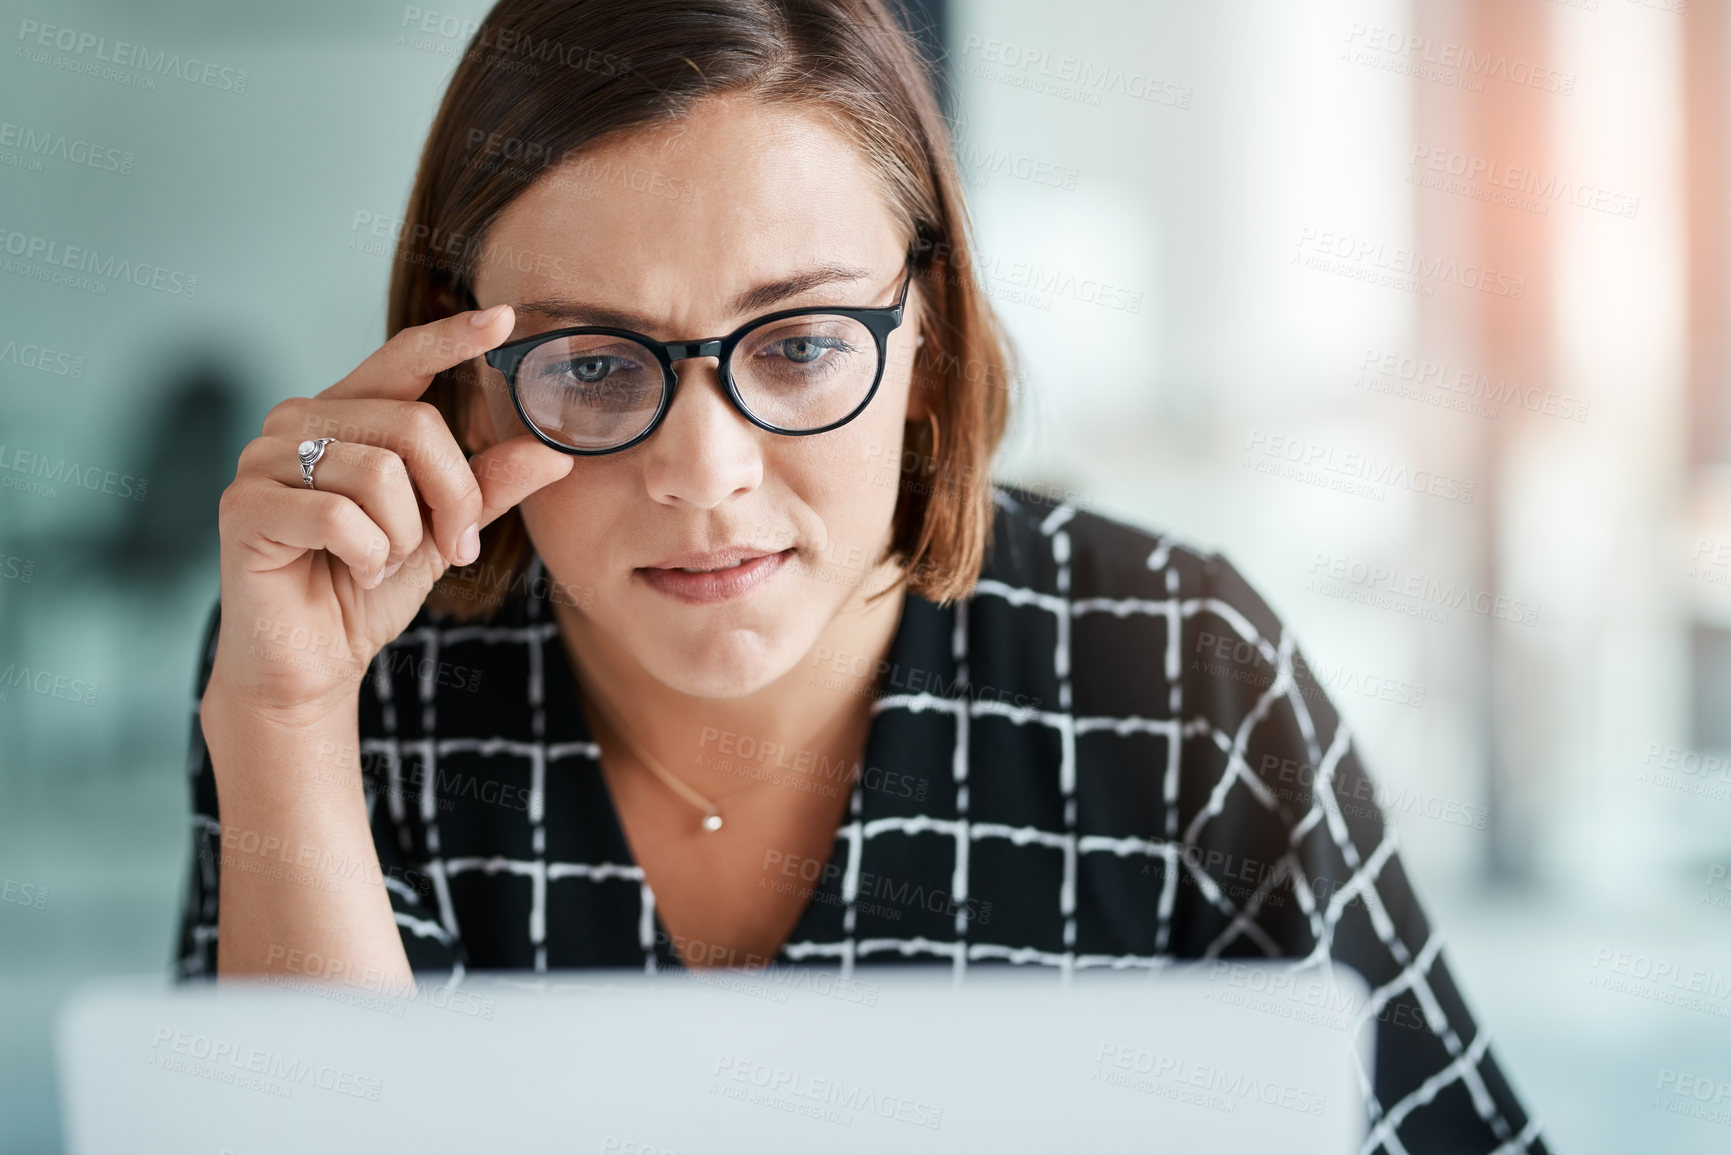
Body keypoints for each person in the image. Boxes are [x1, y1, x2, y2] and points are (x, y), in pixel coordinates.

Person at [174, 1, 1548, 1149]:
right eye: (592, 366)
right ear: (465, 388)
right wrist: (284, 723)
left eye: (800, 344)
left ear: (925, 349)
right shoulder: (357, 683)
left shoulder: (1178, 665)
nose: (704, 475)